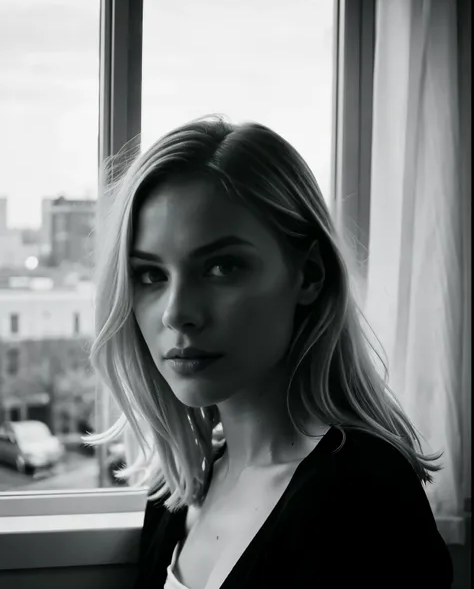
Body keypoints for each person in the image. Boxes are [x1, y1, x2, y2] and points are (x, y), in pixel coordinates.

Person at [85, 115, 453, 588]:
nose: (177, 314)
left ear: (310, 276)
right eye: (151, 275)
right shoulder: (178, 489)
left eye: (222, 267)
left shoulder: (364, 496)